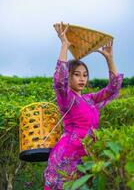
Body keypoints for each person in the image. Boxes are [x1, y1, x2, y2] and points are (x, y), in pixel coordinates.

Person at [43, 22, 124, 189]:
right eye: (76, 75)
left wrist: (110, 59)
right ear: (69, 76)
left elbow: (113, 88)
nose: (82, 79)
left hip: (85, 158)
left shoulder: (89, 99)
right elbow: (59, 81)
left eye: (85, 75)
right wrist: (65, 45)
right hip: (66, 157)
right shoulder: (67, 97)